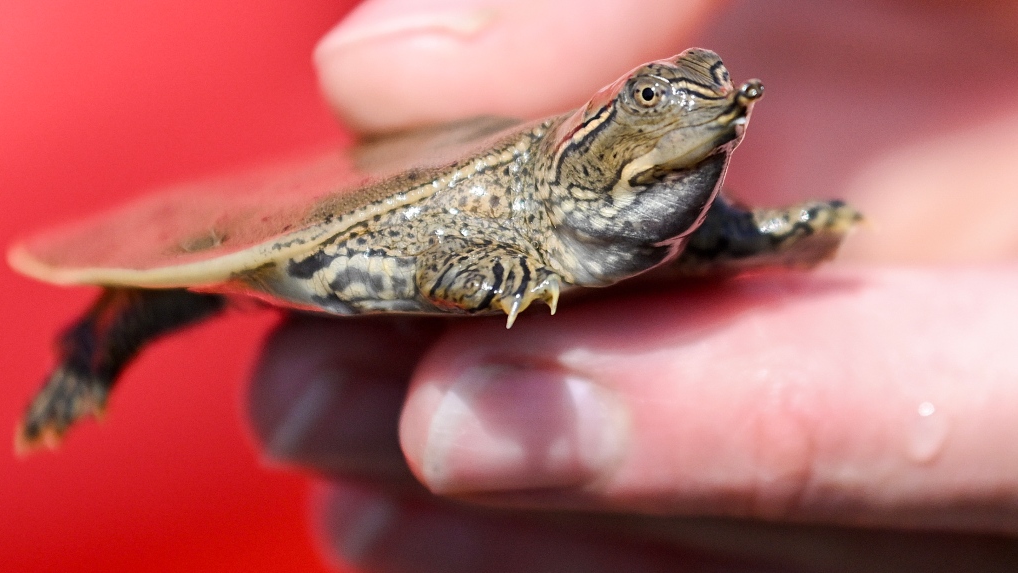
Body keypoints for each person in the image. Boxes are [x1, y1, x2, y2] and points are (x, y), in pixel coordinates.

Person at [246, 1, 1018, 570]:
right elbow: (423, 256)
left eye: (705, 88)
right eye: (648, 99)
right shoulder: (511, 215)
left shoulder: (698, 213)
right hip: (342, 217)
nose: (691, 106)